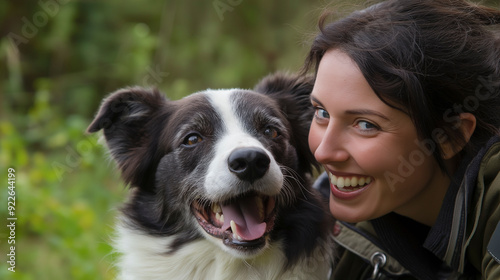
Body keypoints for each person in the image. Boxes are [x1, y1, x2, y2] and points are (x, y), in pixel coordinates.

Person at [303, 0, 500, 279]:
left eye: (365, 124)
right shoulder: (324, 220)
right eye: (321, 112)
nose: (323, 152)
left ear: (450, 135)